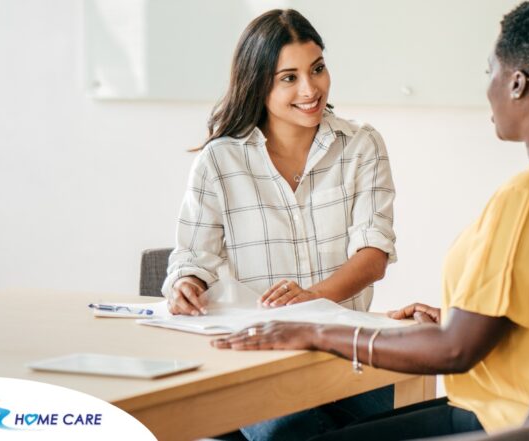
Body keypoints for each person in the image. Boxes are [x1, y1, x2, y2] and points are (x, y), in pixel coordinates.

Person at [212, 1, 529, 439]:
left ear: (517, 83)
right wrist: (458, 318)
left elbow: (455, 352)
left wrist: (315, 332)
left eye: (489, 70)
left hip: (505, 424)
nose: (487, 86)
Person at [162, 9, 398, 441]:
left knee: (390, 421)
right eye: (288, 77)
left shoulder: (361, 145)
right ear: (258, 84)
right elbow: (193, 257)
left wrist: (311, 301)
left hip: (345, 354)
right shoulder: (219, 160)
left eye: (318, 69)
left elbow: (373, 256)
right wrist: (186, 283)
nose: (311, 89)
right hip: (258, 359)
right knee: (290, 431)